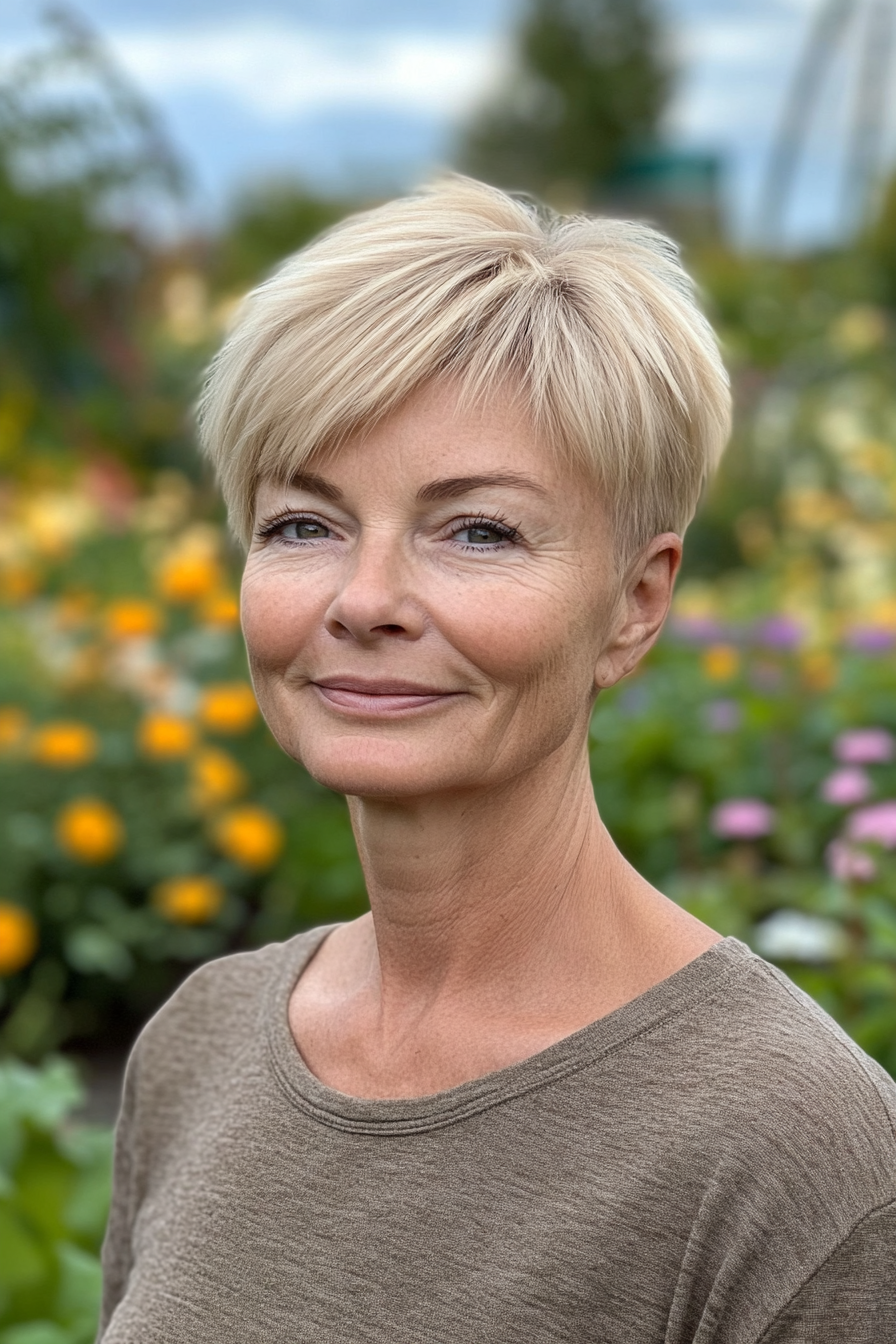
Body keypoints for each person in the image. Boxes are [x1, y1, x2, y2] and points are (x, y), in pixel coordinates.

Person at [97, 177, 896, 1344]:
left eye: (476, 530)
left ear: (634, 602)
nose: (364, 599)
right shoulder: (199, 1048)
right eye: (301, 524)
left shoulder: (797, 1157)